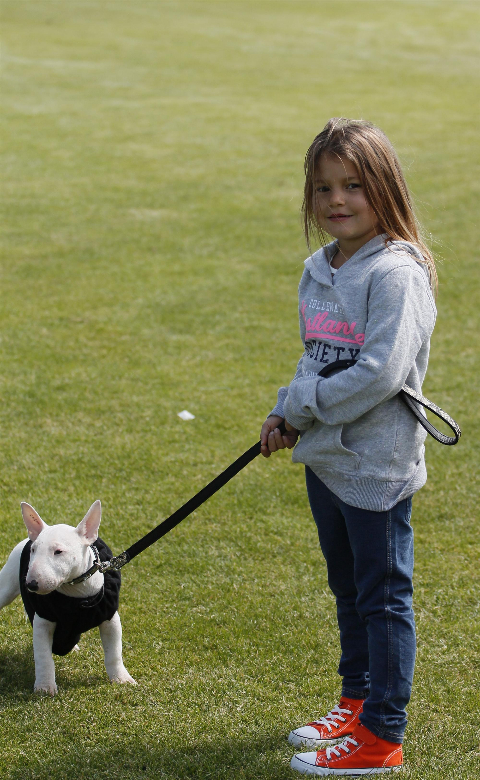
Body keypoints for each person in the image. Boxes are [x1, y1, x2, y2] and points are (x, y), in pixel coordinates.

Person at [260, 118, 437, 776]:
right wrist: (288, 409)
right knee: (348, 590)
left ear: (384, 187)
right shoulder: (320, 268)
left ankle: (381, 736)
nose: (337, 200)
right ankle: (357, 704)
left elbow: (380, 373)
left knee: (383, 597)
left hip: (376, 466)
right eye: (324, 187)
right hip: (327, 462)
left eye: (354, 185)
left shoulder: (395, 275)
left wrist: (302, 407)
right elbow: (319, 358)